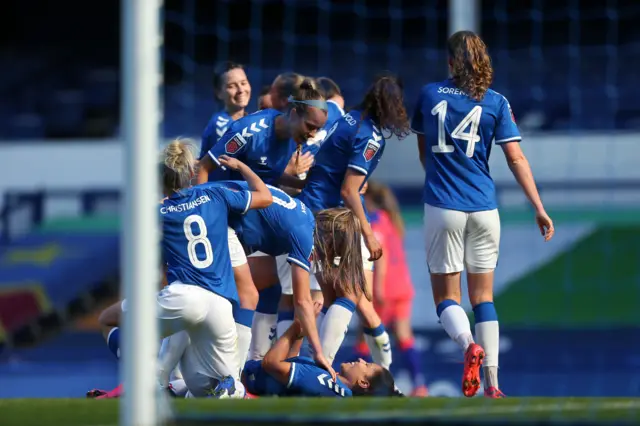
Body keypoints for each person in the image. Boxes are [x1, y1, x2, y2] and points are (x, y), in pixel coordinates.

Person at [411, 30, 554, 398]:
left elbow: (424, 153)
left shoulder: (429, 95)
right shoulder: (496, 102)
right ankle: (493, 385)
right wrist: (538, 208)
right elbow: (516, 158)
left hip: (443, 206)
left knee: (447, 299)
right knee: (484, 298)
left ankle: (467, 346)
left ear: (449, 62)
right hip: (485, 208)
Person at [92, 140, 273, 398]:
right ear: (190, 174)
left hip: (183, 297)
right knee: (206, 389)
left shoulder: (157, 212)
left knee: (107, 320)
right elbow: (265, 197)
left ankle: (147, 381)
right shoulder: (215, 194)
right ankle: (228, 387)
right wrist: (242, 167)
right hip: (221, 305)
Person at [291, 73, 411, 371]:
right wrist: (369, 234)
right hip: (332, 217)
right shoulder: (370, 138)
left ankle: (311, 364)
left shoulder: (344, 117)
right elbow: (348, 189)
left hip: (307, 209)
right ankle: (323, 368)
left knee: (330, 297)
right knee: (351, 295)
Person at [354, 181, 428, 397]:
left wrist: (376, 290)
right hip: (402, 287)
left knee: (364, 339)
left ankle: (363, 386)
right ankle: (419, 385)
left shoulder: (374, 223)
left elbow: (381, 258)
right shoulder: (391, 220)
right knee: (404, 336)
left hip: (383, 290)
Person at [196, 79, 326, 186]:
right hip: (225, 203)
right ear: (294, 115)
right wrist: (202, 208)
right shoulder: (247, 131)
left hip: (254, 203)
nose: (313, 134)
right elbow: (203, 168)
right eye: (310, 126)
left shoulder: (293, 136)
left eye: (317, 129)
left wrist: (302, 183)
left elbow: (268, 175)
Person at [239, 311, 400, 398]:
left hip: (242, 382)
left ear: (364, 383)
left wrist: (296, 327)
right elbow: (286, 366)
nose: (360, 360)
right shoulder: (336, 388)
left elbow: (271, 364)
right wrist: (300, 333)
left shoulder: (324, 382)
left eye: (367, 365)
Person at [200, 61, 252, 163]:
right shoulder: (221, 125)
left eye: (243, 83)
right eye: (231, 86)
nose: (241, 90)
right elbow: (226, 167)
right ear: (219, 93)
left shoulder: (250, 120)